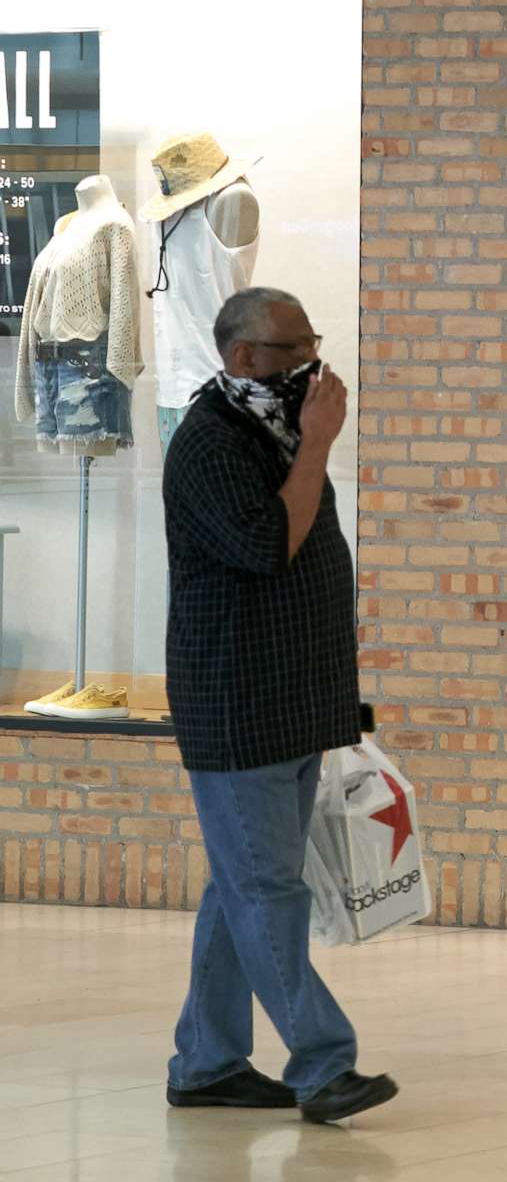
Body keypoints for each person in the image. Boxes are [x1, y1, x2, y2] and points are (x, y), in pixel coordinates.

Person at [163, 287, 397, 1124]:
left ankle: (207, 1062)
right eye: (293, 350)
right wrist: (319, 447)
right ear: (244, 358)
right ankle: (323, 1065)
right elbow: (269, 546)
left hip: (295, 697)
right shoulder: (209, 444)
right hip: (236, 701)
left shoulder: (279, 428)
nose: (312, 364)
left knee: (242, 889)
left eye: (313, 343)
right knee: (266, 889)